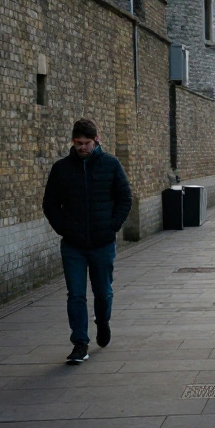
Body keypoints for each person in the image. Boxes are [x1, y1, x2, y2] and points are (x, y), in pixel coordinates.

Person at [42, 118, 132, 365]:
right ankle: (80, 343)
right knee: (76, 295)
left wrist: (111, 226)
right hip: (73, 245)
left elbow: (125, 198)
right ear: (73, 141)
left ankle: (102, 322)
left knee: (103, 292)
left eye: (87, 143)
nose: (83, 147)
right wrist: (64, 229)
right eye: (78, 143)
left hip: (102, 243)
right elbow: (50, 203)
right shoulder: (61, 168)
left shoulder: (111, 165)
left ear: (96, 140)